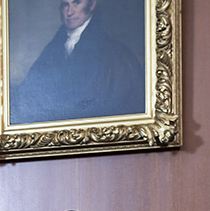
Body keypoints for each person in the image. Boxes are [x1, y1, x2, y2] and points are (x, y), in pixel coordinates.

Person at [10, 0, 145, 125]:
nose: (69, 12)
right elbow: (30, 92)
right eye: (65, 5)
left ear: (92, 5)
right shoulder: (54, 47)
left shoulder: (114, 54)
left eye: (76, 3)